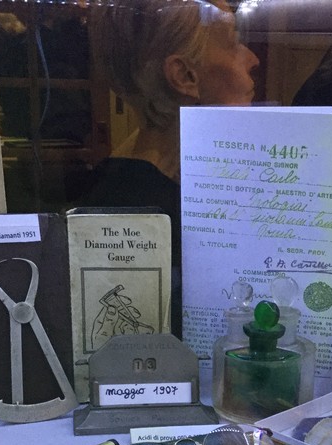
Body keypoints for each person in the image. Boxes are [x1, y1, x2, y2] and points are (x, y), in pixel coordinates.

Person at [78, 0, 260, 337]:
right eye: (234, 43)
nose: (252, 59)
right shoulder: (141, 209)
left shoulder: (148, 182)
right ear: (184, 76)